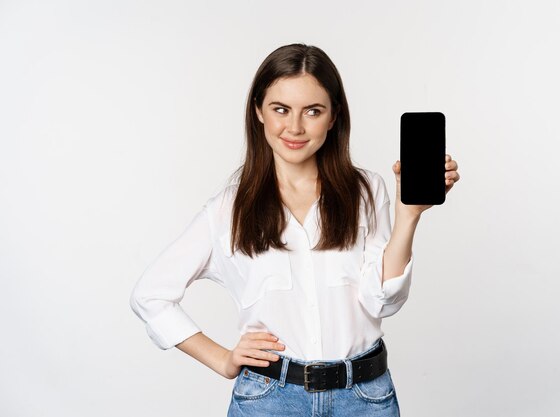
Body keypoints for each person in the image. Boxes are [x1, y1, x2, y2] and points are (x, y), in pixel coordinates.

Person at [130, 43, 460, 416]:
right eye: (281, 109)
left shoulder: (367, 190)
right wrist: (222, 359)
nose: (295, 127)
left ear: (334, 116)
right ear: (259, 111)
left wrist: (409, 215)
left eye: (313, 111)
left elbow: (382, 302)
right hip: (269, 400)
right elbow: (151, 296)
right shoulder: (227, 209)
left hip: (365, 398)